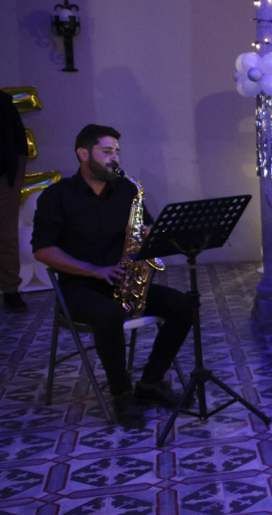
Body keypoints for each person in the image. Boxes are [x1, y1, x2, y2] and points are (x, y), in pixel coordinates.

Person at [32, 124, 193, 429]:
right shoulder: (56, 196)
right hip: (80, 287)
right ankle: (121, 394)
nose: (114, 158)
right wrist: (94, 270)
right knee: (109, 315)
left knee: (183, 306)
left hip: (124, 282)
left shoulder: (128, 190)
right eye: (107, 152)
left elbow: (147, 231)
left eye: (117, 152)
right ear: (83, 154)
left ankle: (151, 382)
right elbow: (42, 250)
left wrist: (150, 236)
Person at [0, 88, 29, 313]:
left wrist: (17, 178)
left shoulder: (1, 101)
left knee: (6, 236)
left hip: (2, 178)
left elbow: (20, 141)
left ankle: (10, 290)